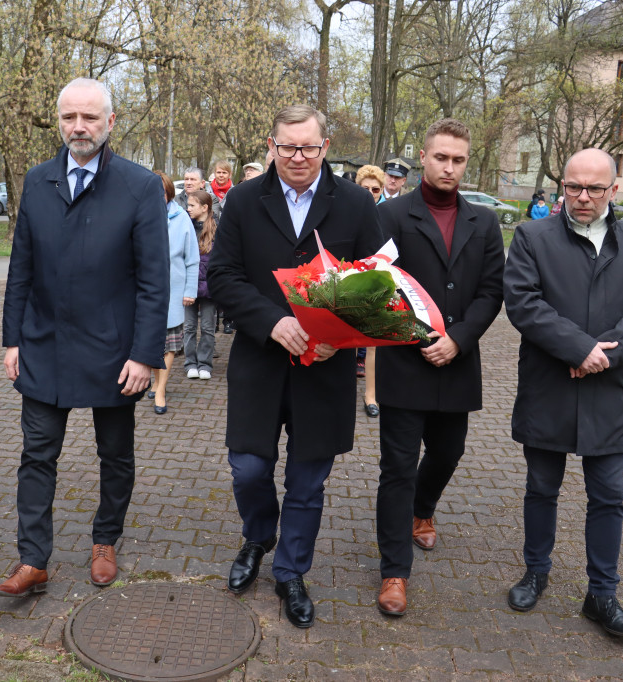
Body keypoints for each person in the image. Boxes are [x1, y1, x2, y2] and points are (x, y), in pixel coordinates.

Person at [0, 78, 169, 598]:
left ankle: (105, 540)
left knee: (114, 455)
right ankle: (32, 560)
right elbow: (20, 266)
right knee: (36, 455)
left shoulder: (138, 186)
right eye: (70, 117)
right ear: (59, 121)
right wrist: (12, 338)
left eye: (89, 118)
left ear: (110, 123)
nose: (79, 127)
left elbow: (155, 281)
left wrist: (144, 354)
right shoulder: (39, 179)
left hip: (115, 354)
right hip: (43, 345)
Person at [207, 104, 382, 629]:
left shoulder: (354, 203)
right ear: (272, 145)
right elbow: (223, 276)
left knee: (308, 482)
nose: (298, 156)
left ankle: (290, 572)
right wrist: (271, 322)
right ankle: (258, 535)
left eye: (308, 147)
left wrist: (341, 337)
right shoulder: (241, 201)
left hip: (324, 371)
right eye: (288, 147)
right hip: (260, 362)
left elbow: (378, 284)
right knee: (249, 469)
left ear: (325, 147)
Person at [503, 147, 623, 638]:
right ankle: (536, 571)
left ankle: (602, 593)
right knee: (542, 487)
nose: (582, 197)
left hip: (609, 389)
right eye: (573, 186)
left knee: (609, 496)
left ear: (613, 190)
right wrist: (578, 349)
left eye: (595, 188)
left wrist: (606, 354)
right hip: (550, 384)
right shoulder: (533, 236)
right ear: (562, 187)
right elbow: (524, 302)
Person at [373, 118, 505, 616]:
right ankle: (394, 572)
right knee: (398, 467)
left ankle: (422, 511)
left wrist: (459, 339)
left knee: (448, 453)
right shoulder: (391, 216)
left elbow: (493, 291)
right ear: (423, 158)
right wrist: (416, 335)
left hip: (457, 362)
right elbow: (376, 286)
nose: (450, 167)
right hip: (406, 363)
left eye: (458, 160)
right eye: (441, 157)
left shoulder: (484, 222)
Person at [151, 171, 200, 414]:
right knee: (150, 339)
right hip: (145, 291)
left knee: (169, 343)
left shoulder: (181, 218)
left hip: (173, 290)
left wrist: (190, 290)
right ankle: (155, 380)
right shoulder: (139, 214)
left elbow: (192, 258)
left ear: (169, 193)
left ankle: (160, 389)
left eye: (161, 191)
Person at [354, 164, 390, 419]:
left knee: (374, 344)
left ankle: (371, 395)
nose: (370, 193)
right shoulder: (348, 210)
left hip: (379, 282)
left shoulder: (388, 213)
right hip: (351, 282)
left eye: (375, 189)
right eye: (364, 188)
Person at [184, 190, 219, 380]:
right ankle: (190, 362)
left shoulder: (217, 228)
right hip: (189, 286)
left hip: (210, 287)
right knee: (189, 327)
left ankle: (205, 363)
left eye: (192, 205)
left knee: (207, 327)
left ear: (204, 207)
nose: (188, 209)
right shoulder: (185, 226)